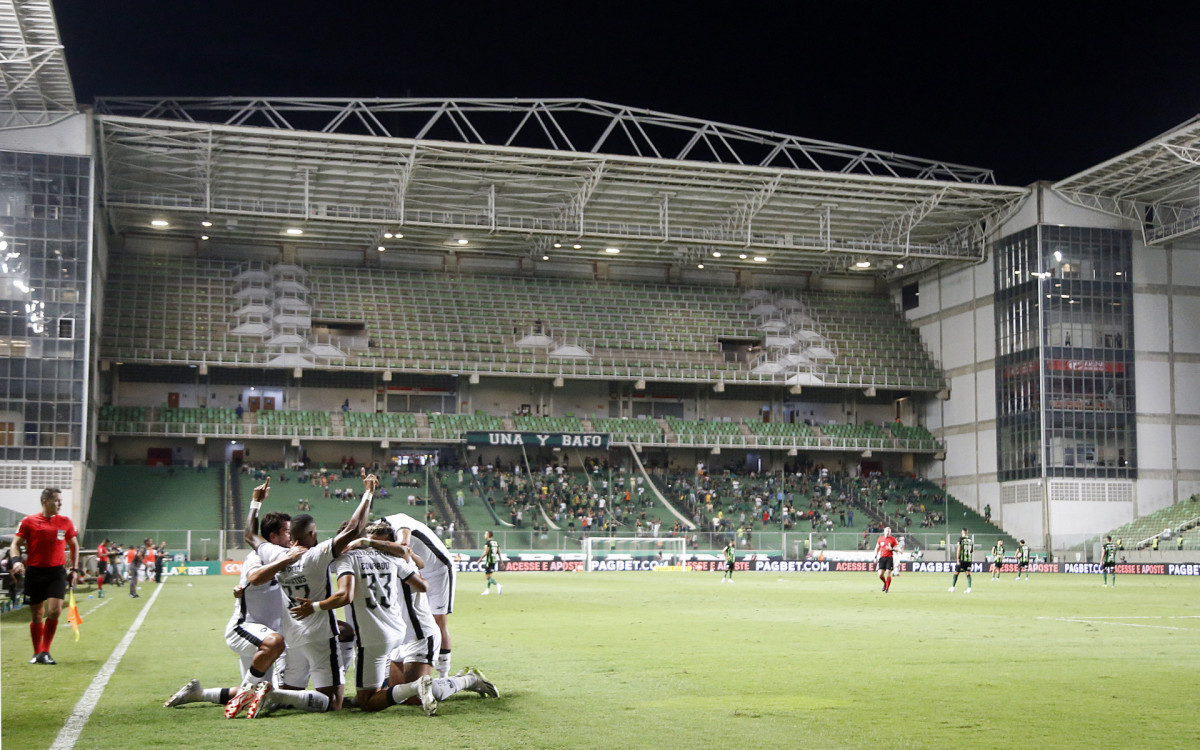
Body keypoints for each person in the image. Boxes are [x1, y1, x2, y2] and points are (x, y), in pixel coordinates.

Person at [337, 520, 497, 716]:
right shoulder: (369, 561)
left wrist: (392, 551)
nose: (375, 548)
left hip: (419, 635)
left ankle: (469, 680)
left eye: (379, 543)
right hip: (397, 638)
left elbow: (419, 575)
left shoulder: (399, 559)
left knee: (414, 698)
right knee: (399, 694)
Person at [271, 474, 378, 712]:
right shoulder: (315, 555)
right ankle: (274, 696)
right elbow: (353, 529)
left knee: (293, 693)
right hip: (319, 634)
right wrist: (368, 494)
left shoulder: (279, 558)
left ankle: (280, 696)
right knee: (334, 703)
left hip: (293, 634)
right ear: (311, 533)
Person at [384, 510, 459, 678]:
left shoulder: (398, 521)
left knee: (439, 620)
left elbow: (404, 544)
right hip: (419, 569)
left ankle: (443, 675)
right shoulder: (382, 531)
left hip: (440, 570)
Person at [9, 488, 80, 665]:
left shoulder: (65, 522)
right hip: (34, 572)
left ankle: (46, 651)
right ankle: (36, 653)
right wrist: (16, 561)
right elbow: (15, 545)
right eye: (56, 500)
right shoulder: (28, 521)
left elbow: (74, 546)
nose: (60, 503)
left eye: (60, 500)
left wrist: (74, 569)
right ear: (45, 501)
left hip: (56, 572)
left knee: (55, 610)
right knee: (36, 615)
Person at [873, 526, 898, 593]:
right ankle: (885, 583)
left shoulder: (893, 539)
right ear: (884, 532)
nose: (888, 532)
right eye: (886, 531)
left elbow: (897, 549)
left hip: (889, 558)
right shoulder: (880, 539)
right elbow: (876, 548)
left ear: (890, 532)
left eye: (889, 531)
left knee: (888, 572)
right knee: (880, 574)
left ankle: (887, 589)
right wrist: (875, 557)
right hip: (882, 558)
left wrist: (892, 549)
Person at [949, 528, 974, 593]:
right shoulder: (970, 540)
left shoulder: (960, 539)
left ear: (962, 532)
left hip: (962, 559)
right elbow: (972, 550)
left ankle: (953, 587)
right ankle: (969, 588)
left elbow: (959, 549)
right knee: (968, 573)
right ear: (967, 532)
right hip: (968, 559)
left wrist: (957, 559)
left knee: (956, 573)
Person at [480, 530, 502, 596]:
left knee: (488, 577)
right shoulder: (495, 542)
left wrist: (480, 559)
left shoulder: (487, 543)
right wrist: (501, 561)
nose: (484, 535)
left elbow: (486, 552)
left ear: (488, 535)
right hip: (494, 561)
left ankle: (498, 585)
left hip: (489, 561)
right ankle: (487, 590)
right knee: (490, 576)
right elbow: (498, 552)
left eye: (485, 534)